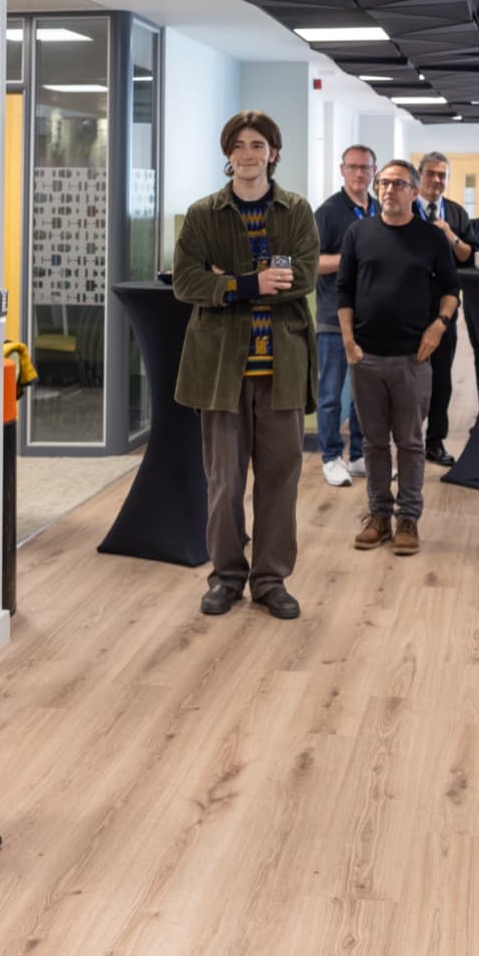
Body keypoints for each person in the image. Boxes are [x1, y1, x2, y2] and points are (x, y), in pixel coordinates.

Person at [173, 110, 318, 621]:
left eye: (258, 144)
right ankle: (226, 578)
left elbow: (300, 277)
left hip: (281, 369)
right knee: (224, 483)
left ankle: (272, 579)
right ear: (227, 154)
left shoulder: (296, 210)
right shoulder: (202, 214)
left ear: (274, 153)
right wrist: (249, 285)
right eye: (239, 144)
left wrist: (226, 283)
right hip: (220, 372)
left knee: (279, 481)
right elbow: (187, 283)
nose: (248, 153)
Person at [338, 159, 459, 555]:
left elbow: (450, 290)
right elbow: (344, 291)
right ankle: (378, 515)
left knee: (409, 442)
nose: (388, 189)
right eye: (384, 183)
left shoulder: (431, 238)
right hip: (366, 357)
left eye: (397, 183)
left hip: (412, 358)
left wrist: (438, 325)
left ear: (413, 191)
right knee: (373, 443)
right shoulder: (358, 233)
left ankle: (408, 517)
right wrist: (348, 343)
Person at [313, 145, 376, 487]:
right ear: (342, 170)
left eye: (365, 168)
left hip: (371, 321)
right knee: (331, 394)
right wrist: (351, 258)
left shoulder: (379, 208)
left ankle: (358, 456)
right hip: (333, 319)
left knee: (364, 394)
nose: (359, 174)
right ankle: (331, 456)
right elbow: (311, 263)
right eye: (353, 167)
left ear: (373, 171)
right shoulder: (328, 212)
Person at [415, 152, 471, 467]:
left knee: (441, 379)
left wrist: (450, 235)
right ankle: (406, 442)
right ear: (420, 176)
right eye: (431, 174)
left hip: (445, 308)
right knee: (407, 377)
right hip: (408, 308)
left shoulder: (457, 214)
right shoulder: (404, 209)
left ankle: (434, 442)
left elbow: (466, 256)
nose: (436, 180)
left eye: (442, 175)